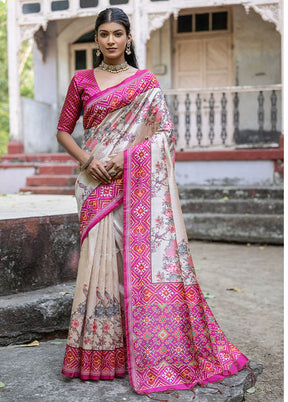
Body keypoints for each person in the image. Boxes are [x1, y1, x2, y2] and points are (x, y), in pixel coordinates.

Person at [57, 7, 249, 395]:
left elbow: (163, 133)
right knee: (100, 262)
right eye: (104, 34)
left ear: (128, 39)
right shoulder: (81, 80)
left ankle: (141, 348)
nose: (111, 40)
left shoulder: (145, 83)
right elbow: (64, 132)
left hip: (132, 182)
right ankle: (100, 352)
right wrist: (90, 162)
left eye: (117, 34)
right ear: (96, 40)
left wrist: (123, 158)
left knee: (135, 262)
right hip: (93, 183)